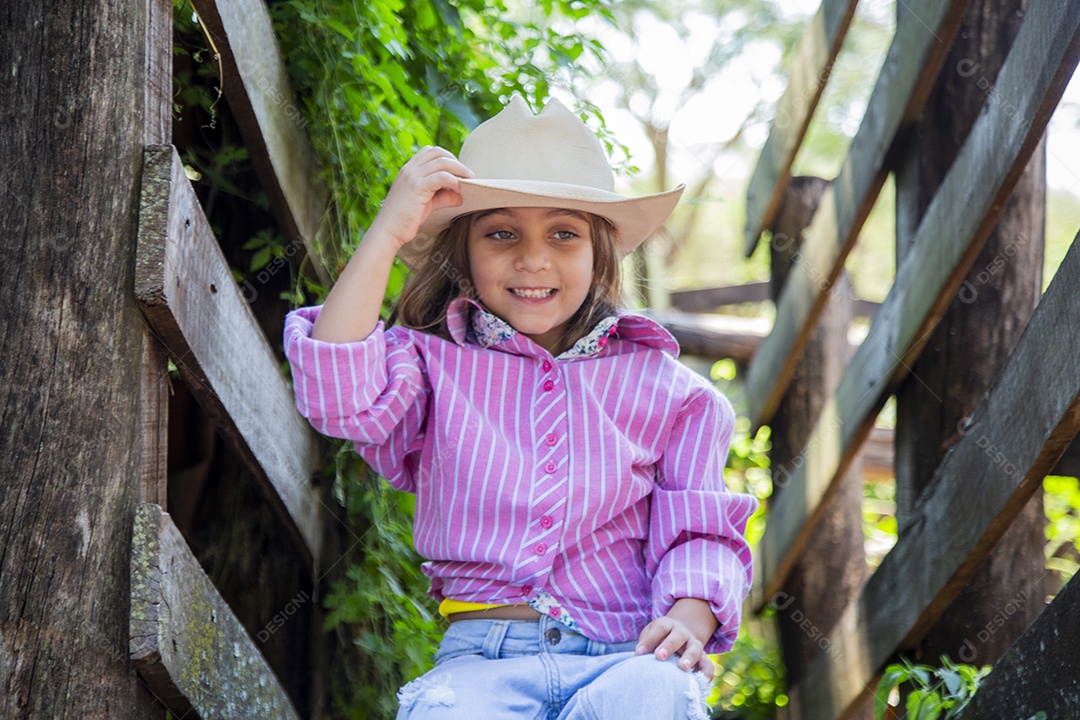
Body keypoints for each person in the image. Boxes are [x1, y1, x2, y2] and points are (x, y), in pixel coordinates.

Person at [283, 95, 758, 719]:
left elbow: (699, 531)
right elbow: (338, 396)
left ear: (601, 251)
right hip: (482, 666)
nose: (533, 258)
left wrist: (689, 618)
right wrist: (390, 230)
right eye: (501, 233)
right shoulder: (428, 367)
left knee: (661, 696)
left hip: (628, 655)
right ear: (465, 251)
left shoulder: (674, 395)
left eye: (564, 234)